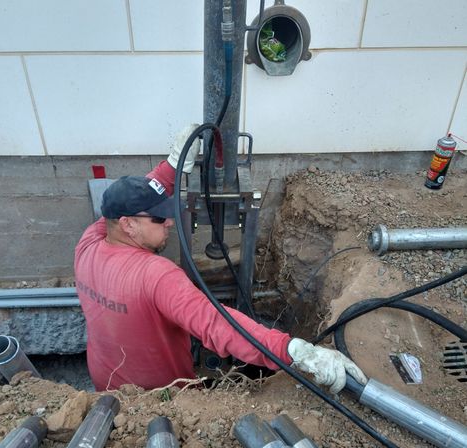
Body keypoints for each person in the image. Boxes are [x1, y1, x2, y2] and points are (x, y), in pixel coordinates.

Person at [74, 125, 367, 393]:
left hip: (105, 385)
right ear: (128, 224)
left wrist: (172, 166)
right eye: (159, 217)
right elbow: (217, 324)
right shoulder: (155, 275)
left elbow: (131, 199)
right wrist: (292, 351)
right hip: (162, 397)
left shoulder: (90, 242)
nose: (169, 223)